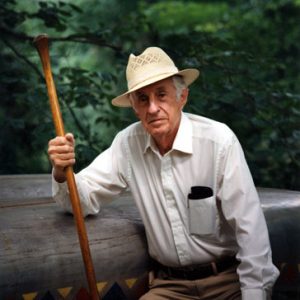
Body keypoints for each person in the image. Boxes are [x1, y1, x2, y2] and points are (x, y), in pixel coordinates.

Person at [48, 47, 279, 299]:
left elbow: (251, 230)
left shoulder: (218, 142)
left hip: (228, 281)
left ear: (182, 97)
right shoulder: (127, 144)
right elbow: (81, 200)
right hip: (170, 288)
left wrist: (254, 294)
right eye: (143, 99)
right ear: (135, 107)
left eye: (162, 95)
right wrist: (62, 172)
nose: (153, 108)